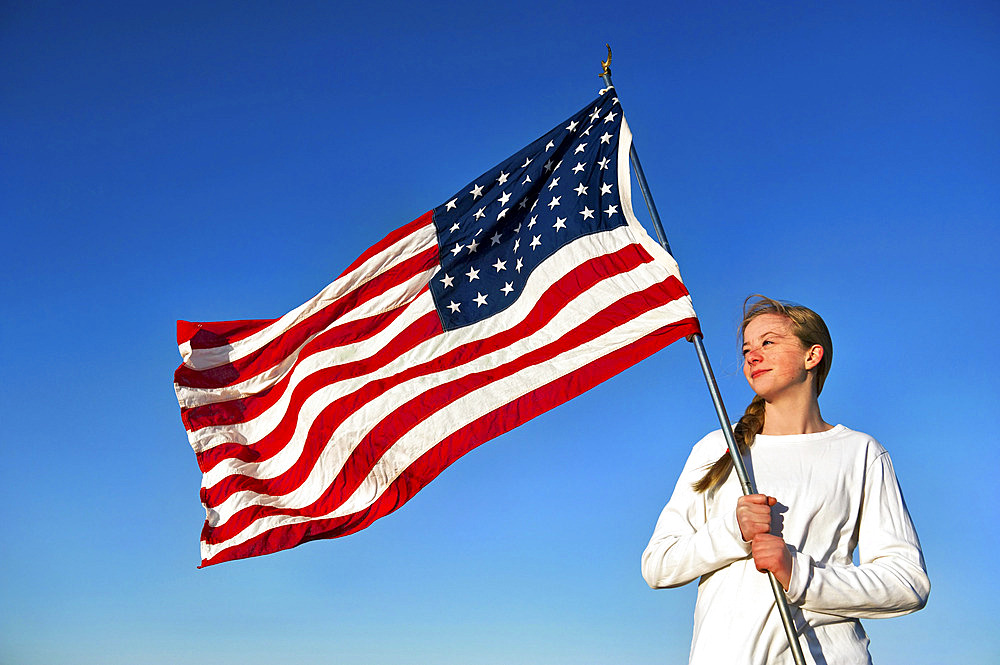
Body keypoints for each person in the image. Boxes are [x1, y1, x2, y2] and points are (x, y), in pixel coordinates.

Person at [641, 296, 929, 664]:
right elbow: (658, 564)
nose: (752, 356)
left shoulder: (861, 452)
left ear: (813, 356)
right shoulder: (718, 448)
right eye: (747, 348)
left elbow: (907, 583)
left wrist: (799, 574)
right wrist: (732, 531)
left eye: (768, 343)